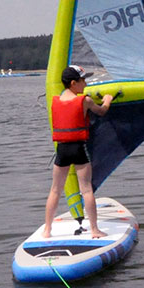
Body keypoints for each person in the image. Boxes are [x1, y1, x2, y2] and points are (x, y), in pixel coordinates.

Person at [42, 64, 114, 238]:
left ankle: (47, 230)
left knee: (55, 190)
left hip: (62, 150)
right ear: (73, 83)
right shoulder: (85, 100)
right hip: (79, 149)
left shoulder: (56, 100)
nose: (86, 84)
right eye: (83, 80)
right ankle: (95, 230)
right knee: (87, 190)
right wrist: (108, 100)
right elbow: (102, 111)